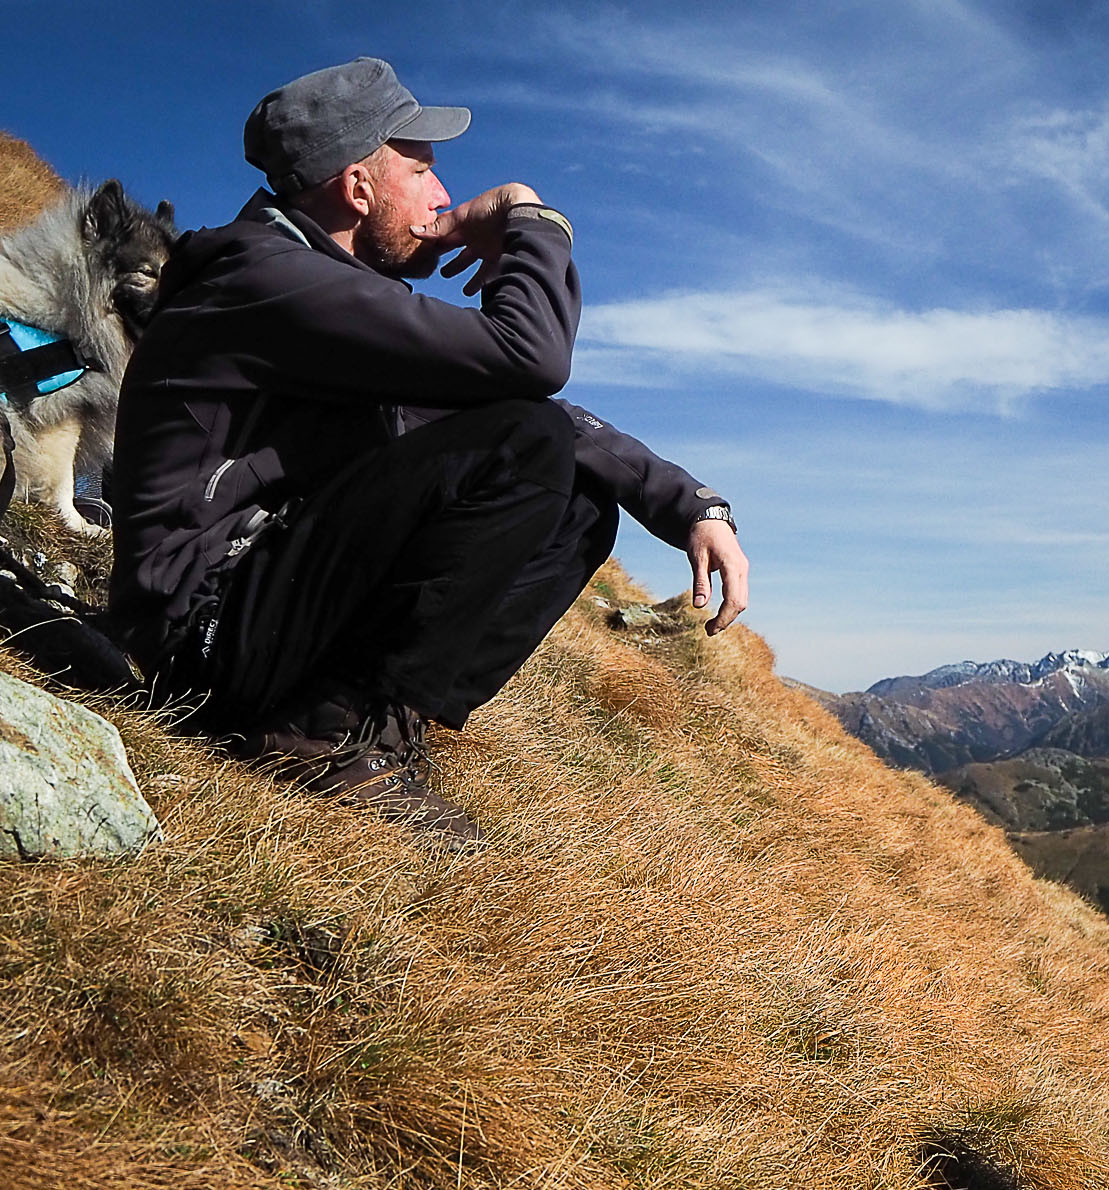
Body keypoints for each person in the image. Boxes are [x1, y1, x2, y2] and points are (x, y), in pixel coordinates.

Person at [107, 58, 748, 841]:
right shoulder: (271, 282)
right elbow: (532, 359)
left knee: (578, 500)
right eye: (420, 166)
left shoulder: (319, 298)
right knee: (525, 445)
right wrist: (529, 219)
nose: (445, 195)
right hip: (201, 635)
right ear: (358, 187)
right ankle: (318, 733)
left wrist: (692, 507)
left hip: (258, 611)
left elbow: (527, 402)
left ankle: (377, 719)